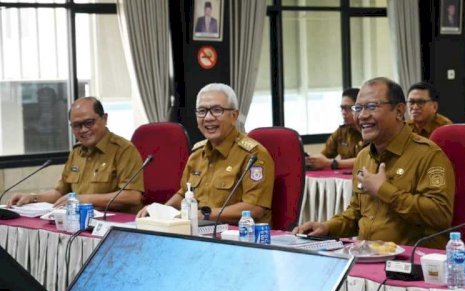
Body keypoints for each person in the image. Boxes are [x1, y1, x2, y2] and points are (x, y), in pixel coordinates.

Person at [294, 77, 455, 248]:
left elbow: (440, 216)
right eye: (359, 108)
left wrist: (384, 190)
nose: (362, 116)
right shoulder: (364, 157)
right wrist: (326, 227)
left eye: (372, 107)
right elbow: (356, 213)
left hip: (410, 265)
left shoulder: (429, 155)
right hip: (367, 257)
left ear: (399, 111)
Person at [137, 83, 275, 224]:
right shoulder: (197, 155)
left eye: (216, 110)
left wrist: (204, 215)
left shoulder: (253, 155)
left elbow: (255, 208)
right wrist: (160, 211)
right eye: (202, 111)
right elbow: (184, 193)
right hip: (199, 232)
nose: (208, 118)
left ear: (234, 116)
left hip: (239, 237)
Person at [8, 97, 145, 213]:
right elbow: (60, 193)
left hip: (114, 226)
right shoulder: (77, 152)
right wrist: (33, 198)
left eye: (89, 123)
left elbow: (132, 196)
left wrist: (84, 199)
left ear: (104, 118)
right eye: (77, 126)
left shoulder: (123, 150)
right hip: (78, 222)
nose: (83, 130)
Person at [306, 88, 364, 170]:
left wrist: (332, 163)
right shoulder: (341, 132)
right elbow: (325, 155)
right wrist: (311, 160)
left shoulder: (369, 131)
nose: (343, 112)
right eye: (342, 108)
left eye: (348, 108)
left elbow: (366, 160)